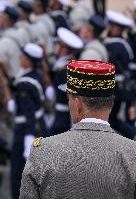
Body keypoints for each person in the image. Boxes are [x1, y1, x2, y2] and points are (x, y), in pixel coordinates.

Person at [20, 59, 136, 199]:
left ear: (77, 104)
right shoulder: (132, 153)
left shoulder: (43, 150)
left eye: (69, 98)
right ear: (110, 103)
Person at [9, 43, 47, 199]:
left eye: (22, 57)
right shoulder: (35, 76)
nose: (20, 59)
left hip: (26, 130)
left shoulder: (25, 83)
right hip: (38, 127)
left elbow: (29, 113)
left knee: (18, 172)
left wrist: (28, 139)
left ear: (29, 60)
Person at [104, 10, 136, 140]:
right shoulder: (121, 43)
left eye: (114, 26)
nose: (111, 28)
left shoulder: (118, 45)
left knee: (116, 120)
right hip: (120, 90)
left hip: (119, 90)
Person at [48, 27, 83, 136]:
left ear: (64, 49)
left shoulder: (65, 71)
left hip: (63, 119)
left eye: (57, 44)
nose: (54, 47)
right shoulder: (66, 66)